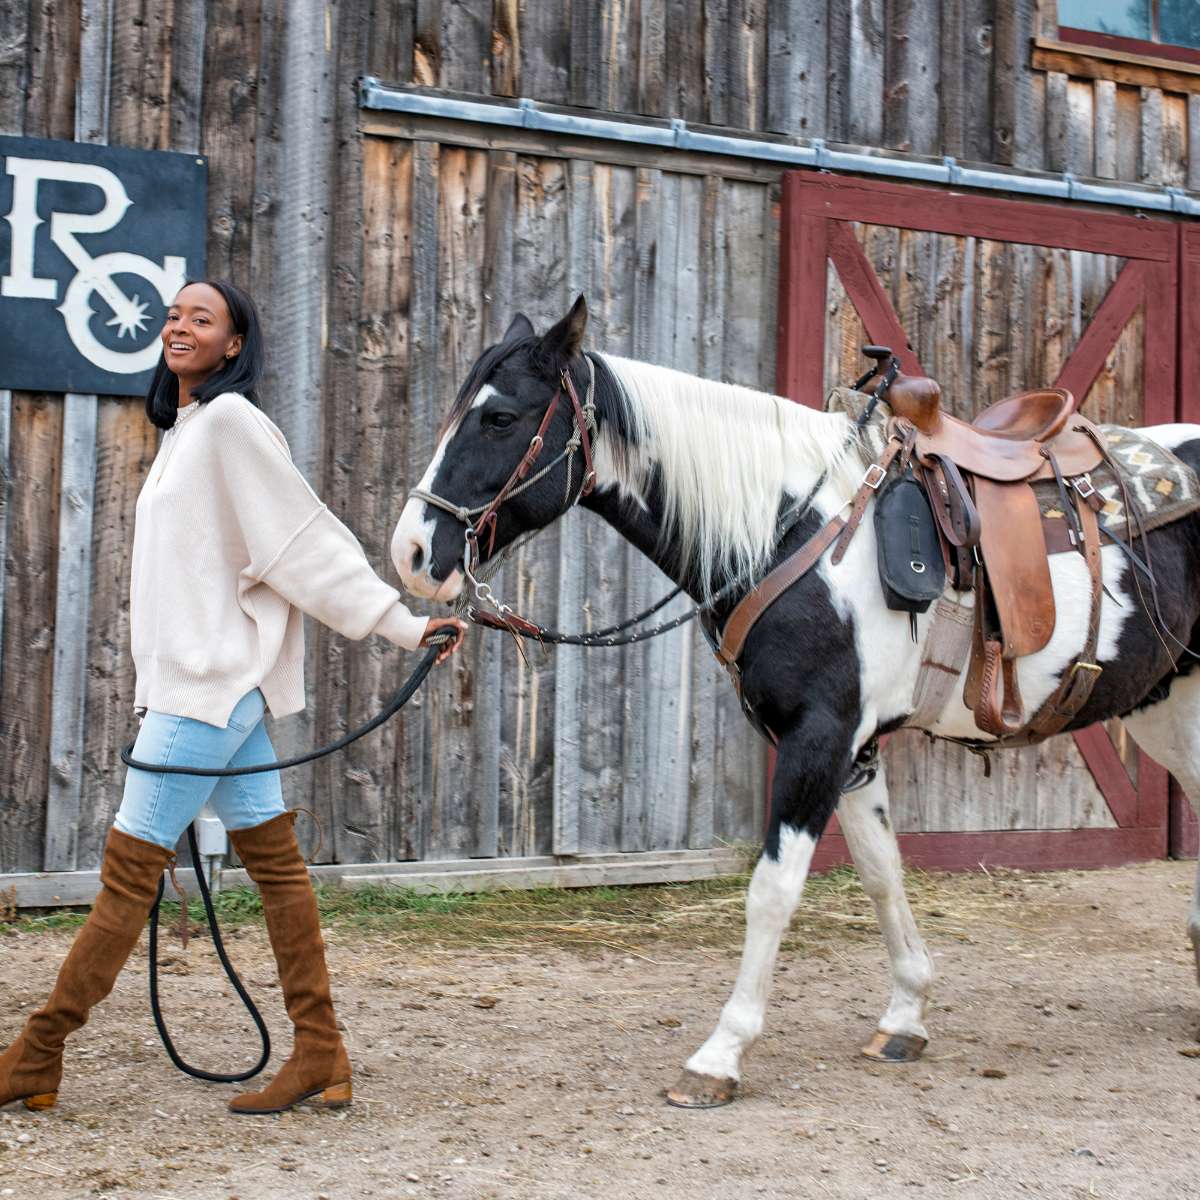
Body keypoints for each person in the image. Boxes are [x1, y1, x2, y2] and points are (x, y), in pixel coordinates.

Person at [0, 280, 465, 1116]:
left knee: (126, 877)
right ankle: (321, 1053)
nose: (180, 325)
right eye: (174, 315)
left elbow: (301, 541)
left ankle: (37, 1054)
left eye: (201, 318)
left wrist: (399, 624)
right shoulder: (186, 431)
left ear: (235, 346)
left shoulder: (230, 425)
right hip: (216, 690)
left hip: (205, 693)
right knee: (279, 873)